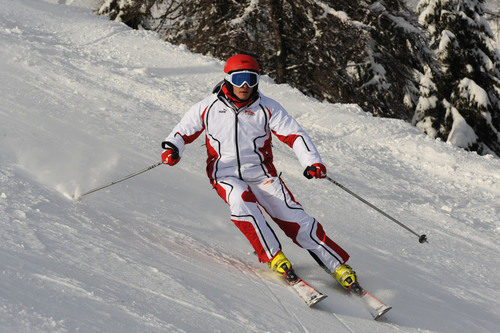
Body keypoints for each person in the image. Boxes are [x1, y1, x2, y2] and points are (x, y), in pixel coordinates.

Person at [161, 54, 358, 290]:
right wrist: (173, 148)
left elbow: (295, 135)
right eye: (239, 78)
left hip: (262, 175)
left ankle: (338, 266)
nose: (245, 86)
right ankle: (274, 256)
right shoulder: (208, 106)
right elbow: (183, 131)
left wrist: (311, 162)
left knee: (295, 218)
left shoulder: (268, 107)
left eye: (251, 79)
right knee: (241, 201)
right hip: (224, 174)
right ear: (228, 79)